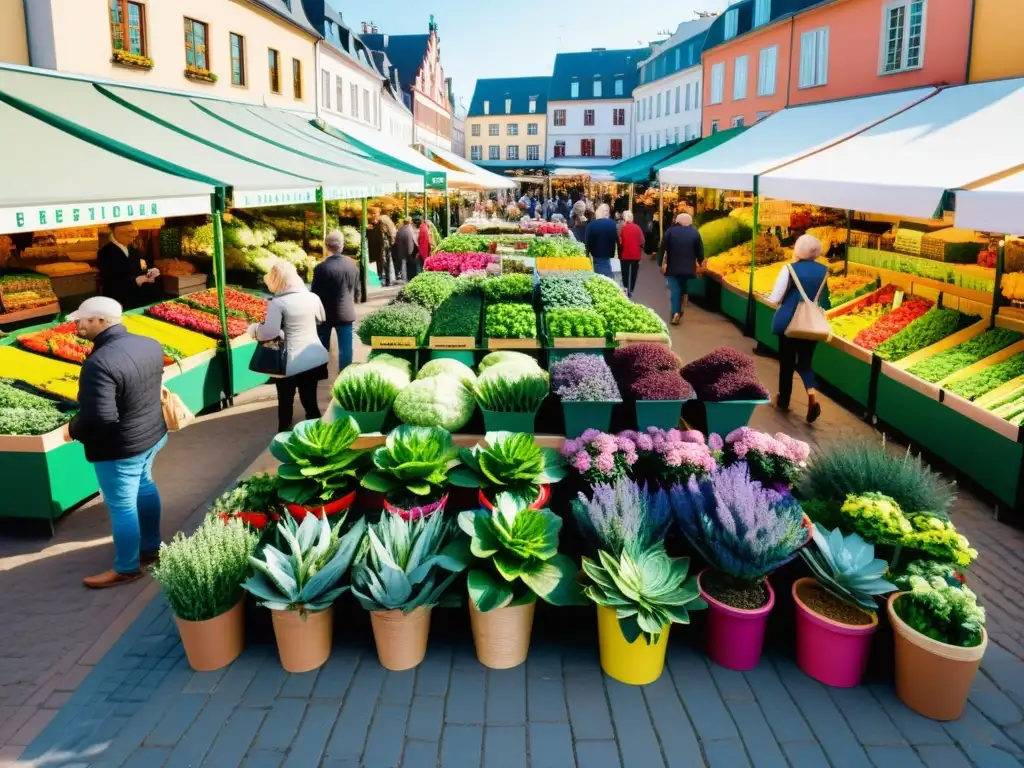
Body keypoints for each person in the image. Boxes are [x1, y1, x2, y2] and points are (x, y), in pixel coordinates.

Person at [64, 296, 167, 588]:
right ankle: (152, 547)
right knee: (145, 487)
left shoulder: (100, 362)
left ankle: (126, 567)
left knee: (122, 506)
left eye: (82, 319)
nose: (78, 324)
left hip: (121, 447)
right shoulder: (149, 343)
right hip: (151, 435)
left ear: (100, 321)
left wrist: (73, 428)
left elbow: (100, 419)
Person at [252, 260, 329, 433]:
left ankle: (285, 436)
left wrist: (255, 329)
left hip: (291, 361)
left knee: (286, 403)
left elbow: (268, 333)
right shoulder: (312, 297)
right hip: (314, 356)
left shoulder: (278, 304)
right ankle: (319, 435)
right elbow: (321, 319)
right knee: (310, 400)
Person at [769, 234, 830, 424]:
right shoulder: (824, 271)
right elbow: (826, 301)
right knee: (805, 363)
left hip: (790, 322)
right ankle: (812, 395)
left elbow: (777, 296)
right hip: (811, 324)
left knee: (787, 362)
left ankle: (783, 400)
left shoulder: (789, 269)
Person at [311, 230, 361, 372]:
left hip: (325, 313)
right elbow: (357, 290)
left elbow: (315, 293)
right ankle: (345, 373)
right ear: (342, 246)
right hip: (346, 312)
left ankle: (320, 371)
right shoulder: (352, 265)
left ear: (326, 247)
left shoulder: (321, 268)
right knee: (346, 348)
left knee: (322, 345)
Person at [97, 223, 159, 310]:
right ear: (120, 235)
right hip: (117, 300)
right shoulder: (105, 252)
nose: (133, 239)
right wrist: (135, 280)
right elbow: (110, 280)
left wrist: (148, 274)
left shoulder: (133, 250)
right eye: (130, 237)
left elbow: (137, 271)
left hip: (135, 298)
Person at [658, 213, 704, 325]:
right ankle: (681, 307)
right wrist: (700, 261)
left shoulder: (670, 232)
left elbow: (663, 247)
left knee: (675, 289)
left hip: (673, 267)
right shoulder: (695, 232)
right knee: (682, 287)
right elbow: (700, 250)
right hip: (688, 268)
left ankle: (676, 313)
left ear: (677, 221)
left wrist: (660, 262)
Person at [585, 203, 618, 278]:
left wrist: (587, 255)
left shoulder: (591, 225)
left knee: (600, 272)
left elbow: (588, 243)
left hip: (596, 254)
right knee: (606, 266)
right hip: (608, 253)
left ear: (601, 212)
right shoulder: (613, 224)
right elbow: (616, 239)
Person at [366, 207, 397, 287]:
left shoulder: (382, 221)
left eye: (374, 213)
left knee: (384, 264)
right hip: (374, 248)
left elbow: (387, 234)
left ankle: (385, 281)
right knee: (376, 263)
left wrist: (390, 242)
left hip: (382, 247)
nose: (372, 215)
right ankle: (377, 282)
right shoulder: (372, 223)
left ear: (378, 213)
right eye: (371, 213)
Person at [619, 210, 645, 298]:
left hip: (625, 254)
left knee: (624, 273)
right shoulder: (637, 228)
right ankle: (632, 289)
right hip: (636, 255)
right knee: (634, 273)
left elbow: (620, 242)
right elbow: (642, 241)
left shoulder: (622, 228)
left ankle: (626, 288)